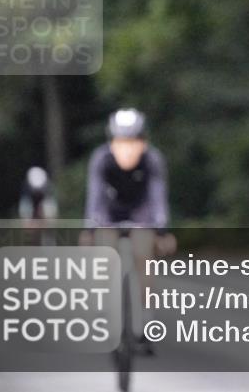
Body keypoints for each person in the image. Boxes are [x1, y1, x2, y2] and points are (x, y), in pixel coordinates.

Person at [81, 108, 176, 352]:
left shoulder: (152, 159)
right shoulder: (101, 158)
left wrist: (161, 229)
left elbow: (157, 196)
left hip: (140, 211)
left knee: (144, 259)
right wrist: (90, 228)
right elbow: (95, 196)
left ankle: (146, 320)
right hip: (110, 211)